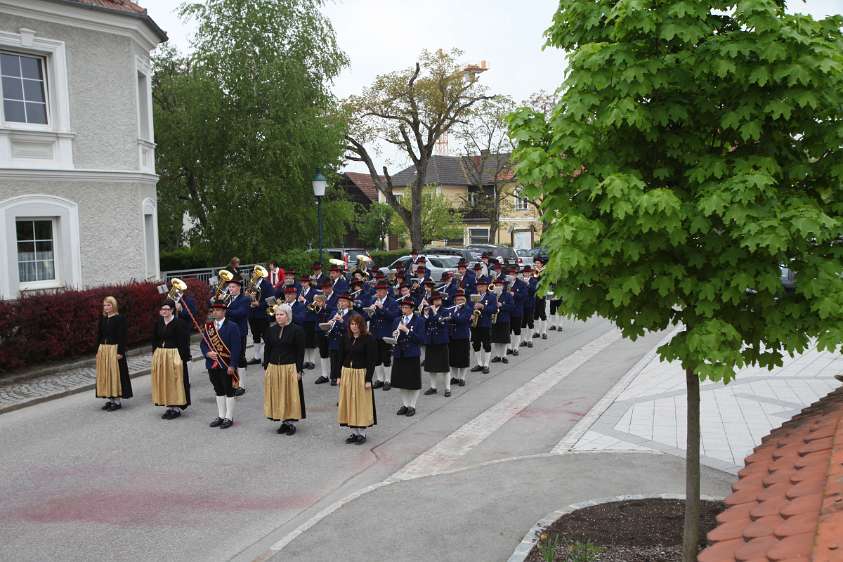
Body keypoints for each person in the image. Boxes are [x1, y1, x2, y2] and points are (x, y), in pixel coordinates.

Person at [263, 303, 306, 435]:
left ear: (288, 316)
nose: (279, 317)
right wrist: (266, 366)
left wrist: (298, 370)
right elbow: (268, 348)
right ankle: (283, 421)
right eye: (277, 315)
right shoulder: (271, 330)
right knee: (278, 394)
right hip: (274, 366)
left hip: (290, 367)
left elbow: (300, 352)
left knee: (290, 395)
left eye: (281, 314)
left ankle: (291, 423)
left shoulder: (297, 330)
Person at [337, 313, 378, 444]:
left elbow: (371, 361)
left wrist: (368, 379)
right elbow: (340, 357)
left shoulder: (368, 339)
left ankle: (362, 433)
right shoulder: (346, 338)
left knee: (360, 403)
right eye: (352, 324)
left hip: (360, 373)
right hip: (347, 373)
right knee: (349, 402)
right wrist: (338, 376)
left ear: (362, 325)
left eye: (356, 324)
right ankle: (354, 432)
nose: (354, 327)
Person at [202, 300, 241, 429]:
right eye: (214, 310)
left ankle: (229, 417)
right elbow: (203, 344)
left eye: (218, 310)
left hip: (226, 364)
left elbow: (236, 348)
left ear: (224, 312)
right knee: (218, 390)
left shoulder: (232, 326)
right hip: (212, 364)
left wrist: (232, 365)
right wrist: (207, 353)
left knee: (229, 390)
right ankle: (221, 416)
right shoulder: (209, 327)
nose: (215, 312)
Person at [151, 299, 191, 419]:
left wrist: (183, 358)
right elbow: (154, 340)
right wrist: (155, 354)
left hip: (174, 355)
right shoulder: (158, 323)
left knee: (174, 381)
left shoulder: (179, 323)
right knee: (164, 380)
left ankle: (177, 407)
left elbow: (184, 342)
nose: (164, 311)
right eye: (162, 309)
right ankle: (169, 406)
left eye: (167, 309)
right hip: (161, 355)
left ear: (172, 310)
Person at [95, 296, 132, 410]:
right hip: (104, 349)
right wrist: (98, 350)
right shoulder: (103, 319)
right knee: (106, 375)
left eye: (109, 305)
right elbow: (99, 335)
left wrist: (120, 352)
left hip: (114, 350)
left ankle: (117, 401)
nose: (106, 307)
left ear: (114, 306)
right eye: (105, 305)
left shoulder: (120, 319)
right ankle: (110, 398)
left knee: (115, 375)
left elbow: (122, 336)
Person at [391, 297, 425, 416]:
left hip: (412, 353)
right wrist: (394, 335)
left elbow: (420, 339)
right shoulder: (396, 320)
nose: (403, 310)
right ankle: (405, 404)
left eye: (406, 307)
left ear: (412, 308)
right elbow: (394, 336)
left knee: (413, 382)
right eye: (402, 307)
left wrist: (407, 331)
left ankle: (412, 406)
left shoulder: (419, 321)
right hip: (399, 353)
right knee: (402, 381)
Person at [367, 281, 399, 390]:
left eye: (381, 291)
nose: (379, 293)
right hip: (375, 332)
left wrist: (382, 308)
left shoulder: (392, 302)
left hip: (386, 333)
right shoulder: (373, 300)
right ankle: (379, 379)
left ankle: (387, 380)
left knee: (386, 358)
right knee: (376, 358)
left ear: (386, 291)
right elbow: (369, 318)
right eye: (377, 291)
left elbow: (393, 317)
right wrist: (370, 312)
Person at [224, 278, 251, 395]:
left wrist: (225, 310)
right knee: (229, 357)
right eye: (229, 287)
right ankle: (233, 382)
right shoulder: (227, 299)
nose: (231, 289)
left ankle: (242, 385)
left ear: (239, 288)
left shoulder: (245, 299)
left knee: (240, 358)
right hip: (227, 332)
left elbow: (241, 313)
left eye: (233, 287)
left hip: (240, 332)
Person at [423, 292, 452, 397]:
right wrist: (425, 315)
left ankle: (447, 388)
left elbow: (442, 323)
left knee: (444, 367)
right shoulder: (429, 311)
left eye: (438, 299)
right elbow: (424, 325)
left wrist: (435, 313)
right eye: (435, 300)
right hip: (430, 341)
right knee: (431, 366)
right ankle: (433, 387)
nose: (437, 301)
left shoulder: (445, 311)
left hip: (441, 341)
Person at [470, 276, 498, 374]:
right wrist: (471, 311)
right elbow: (468, 308)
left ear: (486, 287)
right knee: (476, 344)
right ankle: (479, 363)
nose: (480, 288)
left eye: (482, 286)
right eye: (479, 286)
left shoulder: (491, 296)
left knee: (486, 344)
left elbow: (494, 309)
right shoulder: (473, 296)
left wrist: (483, 306)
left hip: (485, 323)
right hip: (475, 324)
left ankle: (486, 364)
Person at [247, 269, 274, 365]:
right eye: (253, 273)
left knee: (266, 336)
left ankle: (269, 356)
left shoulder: (267, 284)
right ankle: (257, 357)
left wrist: (259, 304)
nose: (252, 274)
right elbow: (247, 296)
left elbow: (271, 300)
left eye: (254, 273)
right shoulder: (251, 284)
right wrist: (248, 299)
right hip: (252, 313)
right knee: (255, 336)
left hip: (262, 314)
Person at [326, 293, 353, 386]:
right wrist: (329, 324)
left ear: (349, 303)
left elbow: (352, 328)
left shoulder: (352, 314)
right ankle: (334, 376)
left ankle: (343, 376)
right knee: (333, 359)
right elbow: (329, 324)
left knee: (343, 359)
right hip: (334, 339)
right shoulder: (334, 312)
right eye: (340, 301)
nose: (341, 303)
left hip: (345, 340)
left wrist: (342, 321)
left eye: (344, 301)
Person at [313, 280, 338, 384]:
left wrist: (326, 307)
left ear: (331, 287)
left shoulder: (337, 297)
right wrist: (316, 306)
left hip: (331, 327)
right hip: (320, 327)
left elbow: (338, 309)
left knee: (333, 352)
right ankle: (324, 375)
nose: (325, 290)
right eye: (324, 288)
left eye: (327, 288)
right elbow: (315, 312)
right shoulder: (319, 297)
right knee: (323, 352)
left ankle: (334, 376)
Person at [447, 290, 472, 387]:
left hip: (462, 336)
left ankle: (462, 378)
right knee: (453, 358)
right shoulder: (451, 309)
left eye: (462, 299)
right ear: (455, 301)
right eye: (458, 300)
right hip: (452, 336)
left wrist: (451, 316)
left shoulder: (467, 309)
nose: (460, 301)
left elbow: (462, 320)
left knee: (463, 358)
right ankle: (455, 377)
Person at [297, 275, 319, 370]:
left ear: (308, 283)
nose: (303, 284)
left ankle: (312, 361)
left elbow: (314, 306)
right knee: (304, 342)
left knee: (311, 342)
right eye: (302, 282)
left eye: (305, 282)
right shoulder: (300, 292)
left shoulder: (314, 292)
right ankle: (306, 361)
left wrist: (304, 300)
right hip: (302, 319)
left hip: (311, 319)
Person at [491, 278, 513, 364]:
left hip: (504, 319)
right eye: (496, 285)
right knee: (496, 339)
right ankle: (497, 355)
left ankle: (504, 356)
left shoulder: (507, 295)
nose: (498, 287)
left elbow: (511, 307)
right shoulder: (492, 295)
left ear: (503, 286)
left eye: (500, 285)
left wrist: (502, 305)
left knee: (504, 339)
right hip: (494, 319)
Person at [509, 266, 527, 356]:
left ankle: (516, 348)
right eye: (510, 274)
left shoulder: (522, 284)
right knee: (508, 330)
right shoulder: (506, 283)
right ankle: (509, 347)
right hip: (508, 311)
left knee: (516, 330)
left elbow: (524, 297)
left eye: (513, 274)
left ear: (516, 275)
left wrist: (514, 294)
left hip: (517, 310)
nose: (511, 276)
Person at [533, 257, 548, 340]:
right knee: (535, 314)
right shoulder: (534, 272)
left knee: (542, 313)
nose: (536, 265)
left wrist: (539, 272)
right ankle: (537, 332)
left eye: (538, 263)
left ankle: (544, 332)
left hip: (541, 294)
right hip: (534, 295)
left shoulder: (544, 272)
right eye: (536, 263)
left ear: (541, 264)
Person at [520, 266, 535, 349]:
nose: (526, 274)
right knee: (523, 322)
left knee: (530, 321)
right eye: (525, 272)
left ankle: (530, 340)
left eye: (528, 272)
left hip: (530, 304)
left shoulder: (533, 281)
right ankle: (524, 340)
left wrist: (528, 284)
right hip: (523, 304)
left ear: (530, 273)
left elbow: (534, 291)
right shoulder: (521, 281)